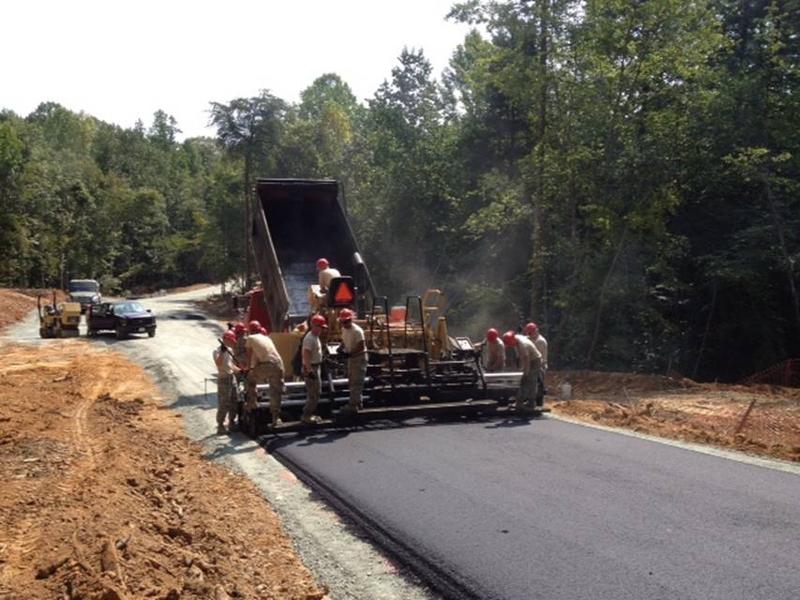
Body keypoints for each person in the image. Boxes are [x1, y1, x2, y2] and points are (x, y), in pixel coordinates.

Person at [244, 320, 285, 427]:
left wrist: (248, 369)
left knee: (249, 379)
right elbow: (259, 356)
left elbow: (249, 356)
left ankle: (252, 403)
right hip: (279, 364)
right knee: (275, 392)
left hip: (268, 365)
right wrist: (254, 368)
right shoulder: (266, 338)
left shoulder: (250, 338)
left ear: (250, 330)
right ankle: (276, 418)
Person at [502, 330, 543, 411]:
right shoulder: (516, 338)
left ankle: (523, 403)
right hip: (530, 359)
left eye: (510, 344)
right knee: (529, 381)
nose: (510, 346)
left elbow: (526, 359)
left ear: (513, 340)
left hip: (535, 361)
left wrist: (526, 372)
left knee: (528, 381)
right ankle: (527, 402)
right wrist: (521, 368)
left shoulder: (522, 345)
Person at [338, 308, 367, 414]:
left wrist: (350, 353)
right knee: (351, 380)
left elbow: (361, 346)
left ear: (351, 320)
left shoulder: (357, 331)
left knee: (356, 381)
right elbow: (344, 340)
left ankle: (353, 405)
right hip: (351, 358)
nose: (345, 323)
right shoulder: (344, 329)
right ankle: (358, 402)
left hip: (358, 358)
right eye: (343, 321)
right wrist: (341, 348)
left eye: (346, 321)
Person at [301, 314, 327, 424]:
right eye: (320, 327)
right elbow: (306, 355)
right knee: (313, 393)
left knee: (316, 392)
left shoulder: (315, 337)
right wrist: (310, 370)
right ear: (313, 326)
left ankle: (310, 414)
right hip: (311, 368)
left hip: (316, 366)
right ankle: (306, 415)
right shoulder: (309, 338)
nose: (321, 329)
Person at [213, 331, 240, 434]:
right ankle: (220, 425)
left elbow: (231, 365)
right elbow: (219, 364)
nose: (231, 343)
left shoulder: (230, 350)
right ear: (225, 339)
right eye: (230, 341)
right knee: (224, 403)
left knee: (234, 401)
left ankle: (232, 422)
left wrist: (240, 370)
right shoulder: (217, 351)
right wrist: (222, 352)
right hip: (223, 379)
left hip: (231, 378)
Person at [525, 321, 549, 393]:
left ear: (535, 331)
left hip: (541, 363)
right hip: (529, 363)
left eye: (530, 333)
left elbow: (542, 357)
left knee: (538, 375)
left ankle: (539, 389)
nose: (529, 335)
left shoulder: (541, 341)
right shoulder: (528, 339)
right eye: (528, 333)